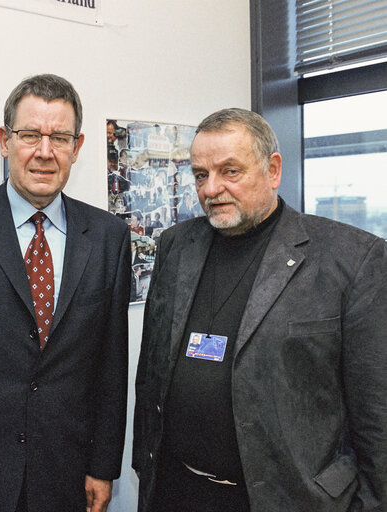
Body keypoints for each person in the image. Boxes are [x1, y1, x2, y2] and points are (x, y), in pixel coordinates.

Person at [132, 107, 387, 512]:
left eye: (229, 171)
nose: (211, 188)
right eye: (201, 174)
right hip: (177, 490)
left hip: (284, 499)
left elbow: (377, 415)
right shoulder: (177, 245)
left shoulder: (351, 260)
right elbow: (152, 372)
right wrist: (143, 462)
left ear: (272, 170)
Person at [0, 74, 131, 512]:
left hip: (67, 474)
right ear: (4, 140)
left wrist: (104, 465)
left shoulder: (109, 236)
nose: (44, 152)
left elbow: (112, 362)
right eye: (30, 135)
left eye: (60, 138)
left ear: (78, 146)